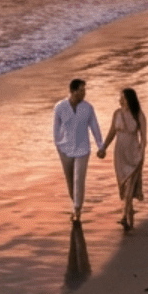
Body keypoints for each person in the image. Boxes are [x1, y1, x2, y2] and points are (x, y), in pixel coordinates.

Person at [52, 78, 103, 222]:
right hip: (65, 149)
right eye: (81, 90)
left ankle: (77, 209)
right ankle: (75, 204)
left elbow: (95, 127)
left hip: (83, 149)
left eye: (84, 90)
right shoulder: (60, 107)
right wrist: (58, 145)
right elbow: (55, 130)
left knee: (78, 179)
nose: (84, 93)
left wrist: (101, 146)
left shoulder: (88, 108)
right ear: (73, 91)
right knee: (70, 181)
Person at [97, 86, 146, 231]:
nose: (120, 100)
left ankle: (124, 216)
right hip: (119, 154)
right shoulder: (116, 113)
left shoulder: (139, 115)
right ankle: (130, 214)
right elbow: (112, 132)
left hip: (134, 153)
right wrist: (103, 147)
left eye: (123, 98)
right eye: (120, 98)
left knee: (131, 183)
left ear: (129, 99)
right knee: (124, 185)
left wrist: (142, 153)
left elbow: (144, 138)